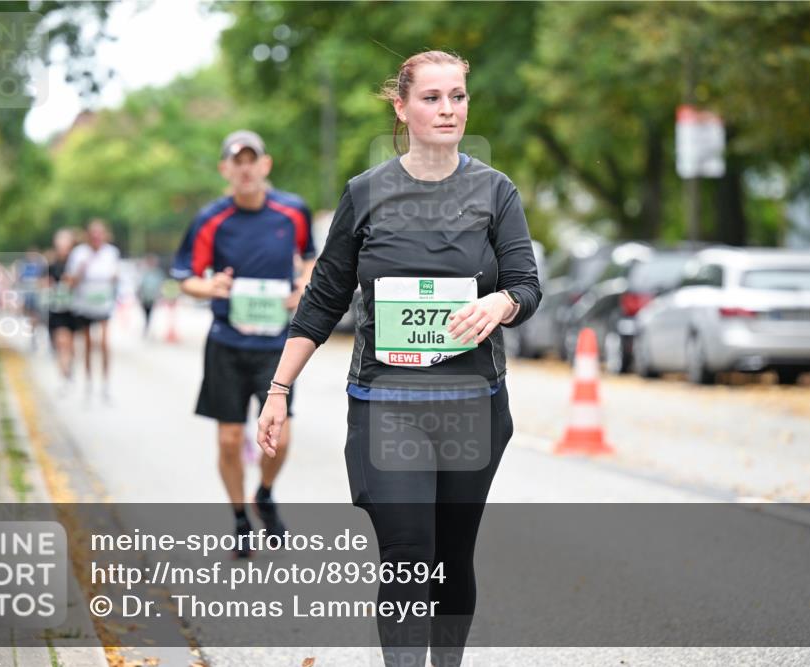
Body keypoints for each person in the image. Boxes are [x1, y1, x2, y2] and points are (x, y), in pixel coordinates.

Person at [257, 51, 541, 667]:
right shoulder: (366, 194)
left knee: (452, 555)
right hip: (388, 402)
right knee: (409, 551)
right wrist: (279, 390)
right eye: (433, 97)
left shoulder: (496, 191)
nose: (448, 110)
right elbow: (323, 300)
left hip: (473, 402)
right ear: (402, 106)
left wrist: (500, 304)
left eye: (458, 97)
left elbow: (526, 284)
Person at [172, 130, 315, 557]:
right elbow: (186, 279)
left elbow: (310, 259)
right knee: (230, 440)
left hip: (276, 344)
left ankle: (265, 494)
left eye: (253, 160)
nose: (246, 168)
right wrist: (210, 285)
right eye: (238, 161)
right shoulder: (210, 219)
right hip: (227, 343)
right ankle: (239, 517)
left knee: (281, 438)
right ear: (226, 170)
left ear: (265, 166)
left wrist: (303, 288)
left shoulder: (292, 212)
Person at [66, 219, 120, 403]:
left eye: (100, 233)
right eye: (93, 234)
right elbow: (70, 282)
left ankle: (106, 385)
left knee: (105, 344)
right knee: (88, 345)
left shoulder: (111, 252)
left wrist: (116, 279)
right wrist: (81, 271)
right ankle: (89, 384)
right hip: (84, 305)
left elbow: (115, 278)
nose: (97, 237)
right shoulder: (79, 253)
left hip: (104, 304)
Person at [47, 229, 78, 392]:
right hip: (56, 308)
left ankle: (69, 368)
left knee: (69, 344)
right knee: (60, 342)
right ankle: (63, 374)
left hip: (72, 309)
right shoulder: (51, 265)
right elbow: (43, 283)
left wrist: (72, 282)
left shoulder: (75, 264)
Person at [136, 254, 165, 337]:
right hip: (145, 298)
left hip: (152, 298)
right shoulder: (145, 272)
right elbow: (140, 285)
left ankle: (147, 327)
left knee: (150, 314)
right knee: (146, 314)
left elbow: (160, 285)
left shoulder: (158, 273)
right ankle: (147, 327)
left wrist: (160, 295)